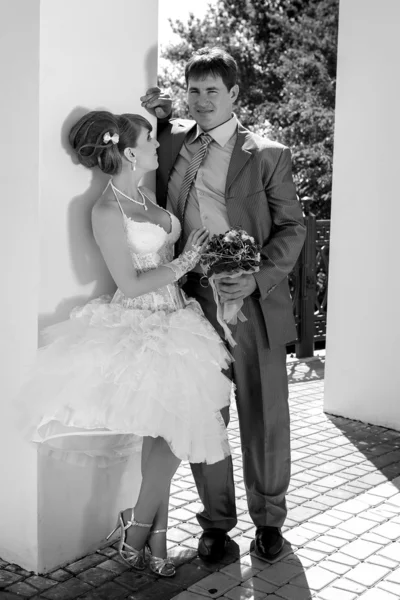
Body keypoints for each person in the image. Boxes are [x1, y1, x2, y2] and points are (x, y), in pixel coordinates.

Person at [17, 110, 233, 577]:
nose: (158, 146)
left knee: (170, 431)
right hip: (140, 321)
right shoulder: (104, 210)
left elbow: (164, 248)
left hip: (177, 318)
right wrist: (187, 260)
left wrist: (200, 258)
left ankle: (142, 529)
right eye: (151, 140)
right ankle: (147, 534)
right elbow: (130, 284)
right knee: (168, 428)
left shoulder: (147, 195)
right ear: (130, 151)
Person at [140, 46, 307, 563]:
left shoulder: (270, 154)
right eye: (194, 90)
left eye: (213, 91)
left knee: (264, 417)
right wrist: (157, 112)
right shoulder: (170, 142)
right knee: (204, 417)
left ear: (235, 95)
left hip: (253, 303)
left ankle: (269, 521)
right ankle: (215, 523)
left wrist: (256, 279)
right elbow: (151, 131)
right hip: (193, 306)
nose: (203, 100)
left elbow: (293, 227)